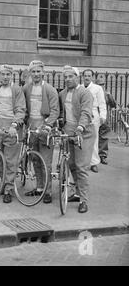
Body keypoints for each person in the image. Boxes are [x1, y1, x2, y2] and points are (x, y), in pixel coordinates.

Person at [59, 66, 95, 214]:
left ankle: (84, 200)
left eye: (70, 76)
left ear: (77, 77)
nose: (67, 79)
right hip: (69, 131)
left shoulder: (85, 93)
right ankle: (78, 192)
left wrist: (80, 128)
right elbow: (63, 114)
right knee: (71, 164)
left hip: (84, 132)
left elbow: (86, 113)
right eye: (65, 77)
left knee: (82, 167)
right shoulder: (62, 93)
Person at [23, 60, 59, 204]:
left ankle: (48, 191)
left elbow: (55, 111)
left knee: (46, 162)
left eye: (39, 71)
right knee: (35, 159)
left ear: (43, 72)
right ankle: (39, 188)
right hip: (31, 128)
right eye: (34, 71)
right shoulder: (26, 88)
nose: (36, 74)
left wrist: (47, 125)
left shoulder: (50, 89)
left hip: (45, 130)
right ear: (30, 73)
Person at [0, 65, 26, 203]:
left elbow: (21, 109)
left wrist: (15, 125)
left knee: (10, 160)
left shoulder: (17, 90)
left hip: (11, 127)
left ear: (11, 75)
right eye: (3, 74)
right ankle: (4, 182)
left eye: (8, 74)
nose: (5, 77)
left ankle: (8, 189)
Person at [82, 69, 106, 173]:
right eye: (85, 75)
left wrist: (103, 116)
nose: (87, 77)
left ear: (92, 77)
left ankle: (94, 163)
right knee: (81, 139)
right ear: (83, 77)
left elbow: (102, 103)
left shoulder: (97, 88)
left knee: (94, 139)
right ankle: (83, 162)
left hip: (93, 114)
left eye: (89, 75)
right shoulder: (79, 88)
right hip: (82, 115)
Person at [96, 74, 116, 165]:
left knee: (103, 137)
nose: (101, 86)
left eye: (102, 84)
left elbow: (113, 105)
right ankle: (96, 156)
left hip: (104, 119)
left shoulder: (107, 94)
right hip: (94, 118)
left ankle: (102, 156)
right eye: (100, 84)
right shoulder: (93, 92)